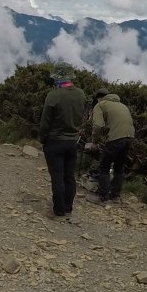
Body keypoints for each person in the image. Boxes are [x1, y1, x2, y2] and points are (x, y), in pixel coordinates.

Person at [38, 62, 86, 219]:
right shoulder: (81, 94)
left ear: (57, 78)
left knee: (57, 176)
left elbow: (45, 122)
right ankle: (68, 206)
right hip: (73, 142)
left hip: (55, 141)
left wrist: (43, 139)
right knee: (69, 175)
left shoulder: (53, 95)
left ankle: (59, 209)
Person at [89, 88, 135, 202]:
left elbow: (98, 126)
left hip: (116, 138)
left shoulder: (100, 105)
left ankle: (102, 196)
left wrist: (94, 142)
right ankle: (115, 196)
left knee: (104, 166)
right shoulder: (122, 105)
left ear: (98, 98)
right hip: (129, 137)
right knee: (119, 167)